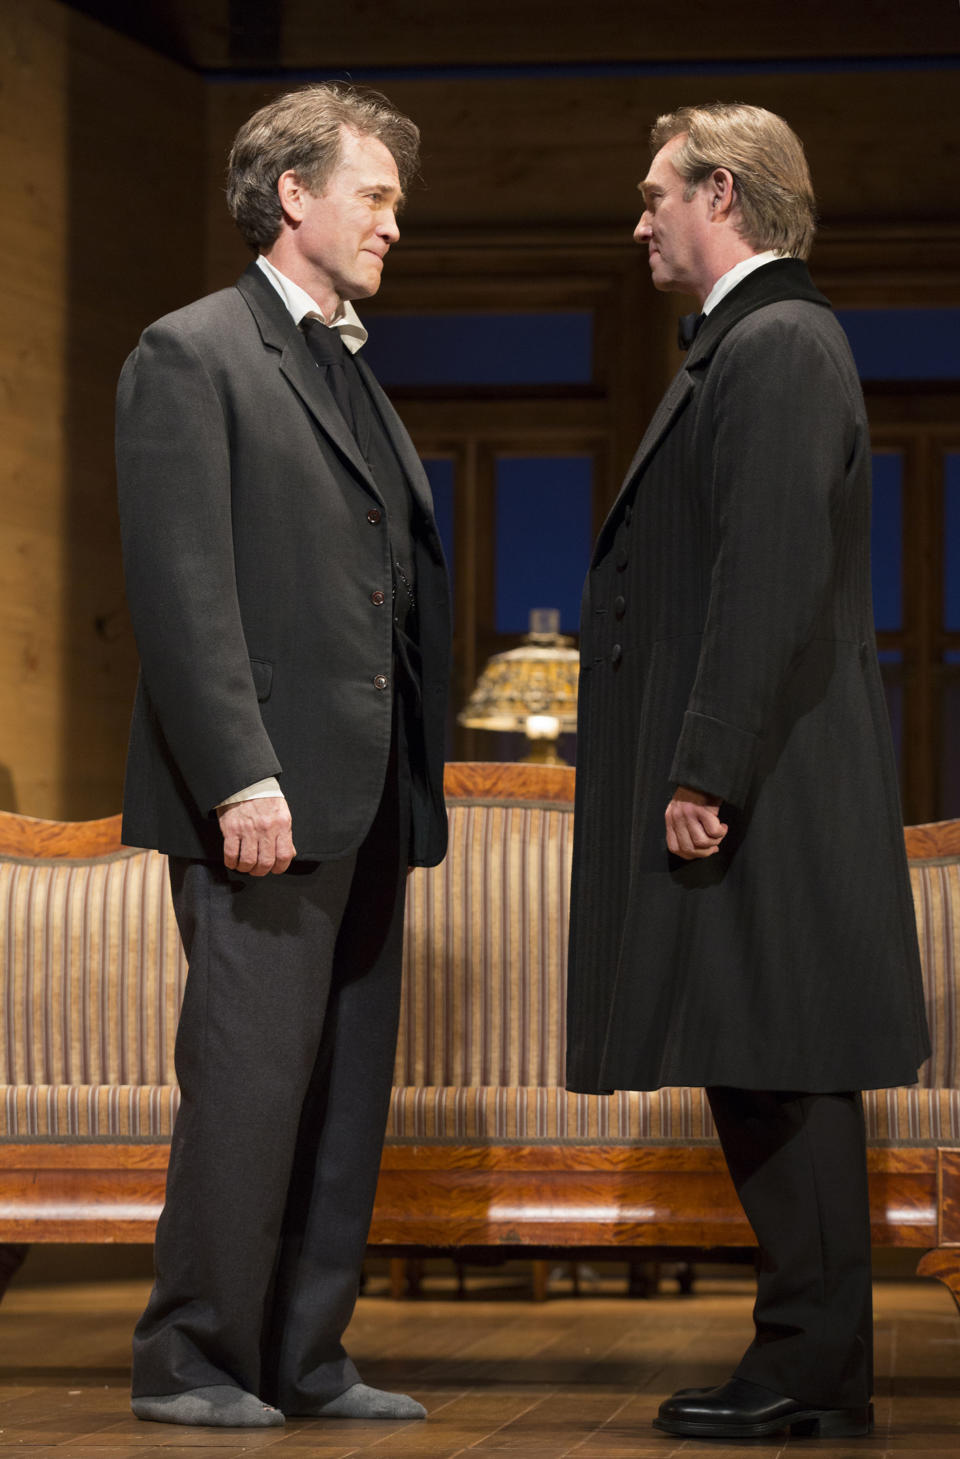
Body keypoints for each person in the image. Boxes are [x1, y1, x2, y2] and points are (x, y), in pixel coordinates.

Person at [565, 102, 929, 1442]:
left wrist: (705, 765)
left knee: (786, 1062)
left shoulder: (776, 345)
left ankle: (812, 1367)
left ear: (723, 191)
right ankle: (808, 1362)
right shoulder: (754, 345)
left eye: (658, 191)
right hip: (763, 764)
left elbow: (764, 580)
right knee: (768, 1060)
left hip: (766, 771)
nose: (641, 217)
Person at [116, 83, 450, 1428]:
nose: (392, 224)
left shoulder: (343, 361)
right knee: (250, 1090)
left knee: (342, 1095)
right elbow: (184, 589)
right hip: (264, 795)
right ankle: (190, 1357)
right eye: (376, 195)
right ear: (295, 193)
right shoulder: (192, 353)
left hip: (368, 792)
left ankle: (304, 1355)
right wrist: (240, 774)